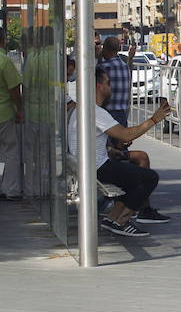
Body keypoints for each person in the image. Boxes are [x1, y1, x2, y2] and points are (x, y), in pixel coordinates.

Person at [67, 68, 170, 237]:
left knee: (136, 171)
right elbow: (126, 134)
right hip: (97, 167)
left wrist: (112, 149)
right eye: (108, 83)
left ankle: (113, 217)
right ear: (99, 86)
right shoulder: (95, 111)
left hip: (90, 163)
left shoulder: (84, 108)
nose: (111, 87)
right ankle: (121, 221)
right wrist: (154, 119)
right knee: (149, 177)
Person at [0, 28, 23, 201]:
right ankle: (10, 189)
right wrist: (20, 109)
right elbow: (14, 89)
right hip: (4, 114)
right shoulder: (4, 61)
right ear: (3, 40)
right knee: (10, 152)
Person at [97, 37, 135, 128]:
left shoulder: (103, 67)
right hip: (122, 114)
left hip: (106, 113)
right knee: (119, 140)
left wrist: (98, 56)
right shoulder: (125, 67)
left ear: (105, 49)